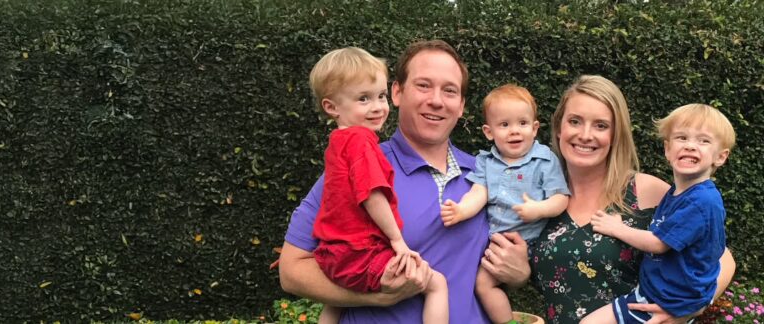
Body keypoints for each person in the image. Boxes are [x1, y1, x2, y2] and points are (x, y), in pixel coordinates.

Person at [482, 75, 736, 324]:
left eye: (601, 125)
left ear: (616, 134)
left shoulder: (646, 191)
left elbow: (720, 257)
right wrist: (520, 275)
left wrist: (689, 308)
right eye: (575, 121)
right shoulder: (538, 199)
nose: (585, 134)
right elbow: (519, 271)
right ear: (559, 128)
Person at [279, 39, 492, 323]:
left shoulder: (486, 174)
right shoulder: (354, 166)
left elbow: (513, 256)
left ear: (462, 105)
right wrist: (376, 296)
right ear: (397, 92)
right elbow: (291, 271)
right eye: (423, 85)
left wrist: (518, 270)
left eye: (450, 90)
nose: (437, 100)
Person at [306, 47, 448, 324]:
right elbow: (371, 194)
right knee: (437, 283)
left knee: (336, 302)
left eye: (381, 96)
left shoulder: (338, 142)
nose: (378, 107)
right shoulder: (362, 142)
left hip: (332, 255)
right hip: (361, 254)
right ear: (331, 107)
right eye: (363, 99)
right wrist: (398, 242)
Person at [581, 103, 734, 323]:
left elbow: (658, 243)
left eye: (704, 141)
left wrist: (616, 228)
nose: (691, 146)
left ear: (720, 157)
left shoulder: (702, 200)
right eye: (682, 138)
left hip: (663, 303)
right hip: (657, 296)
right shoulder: (678, 193)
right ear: (667, 149)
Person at [440, 84, 570, 324]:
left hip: (531, 243)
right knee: (475, 279)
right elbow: (479, 192)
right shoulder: (486, 161)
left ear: (534, 128)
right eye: (504, 125)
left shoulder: (543, 160)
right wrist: (461, 211)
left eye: (522, 123)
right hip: (493, 241)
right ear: (489, 132)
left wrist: (538, 209)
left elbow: (561, 198)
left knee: (482, 283)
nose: (514, 131)